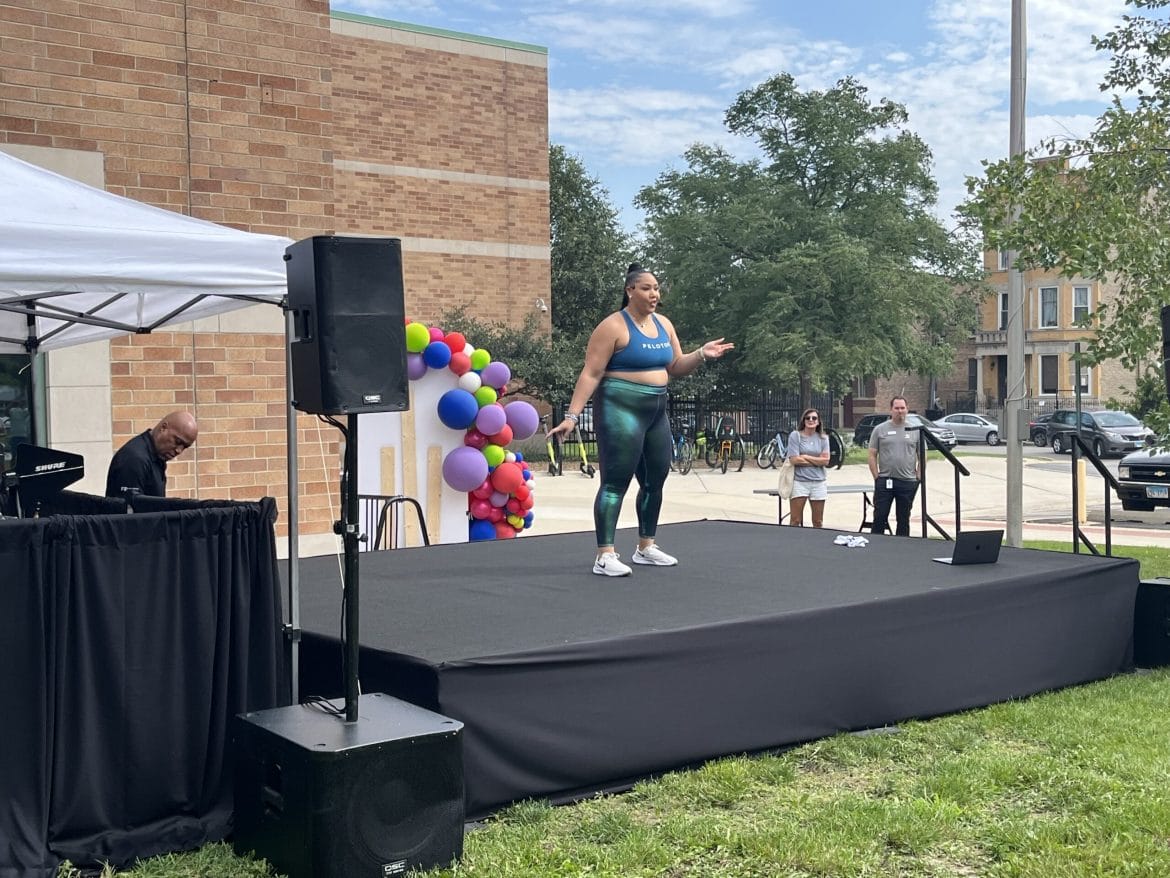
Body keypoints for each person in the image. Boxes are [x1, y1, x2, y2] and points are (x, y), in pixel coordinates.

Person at [548, 263, 734, 576]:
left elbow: (675, 365)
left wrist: (701, 353)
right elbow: (591, 373)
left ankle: (646, 546)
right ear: (630, 290)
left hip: (655, 411)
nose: (654, 294)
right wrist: (572, 416)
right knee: (615, 482)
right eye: (647, 288)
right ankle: (604, 553)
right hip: (620, 408)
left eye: (657, 289)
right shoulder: (612, 327)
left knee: (656, 478)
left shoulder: (664, 324)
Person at [105, 410, 199, 498]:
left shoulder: (155, 455)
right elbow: (128, 511)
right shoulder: (135, 459)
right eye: (177, 441)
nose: (179, 450)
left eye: (185, 447)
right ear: (163, 428)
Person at [868, 396, 920, 536]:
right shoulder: (880, 430)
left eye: (902, 408)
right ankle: (876, 544)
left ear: (907, 409)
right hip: (885, 480)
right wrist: (876, 476)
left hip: (907, 482)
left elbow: (922, 455)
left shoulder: (915, 430)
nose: (900, 411)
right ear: (891, 410)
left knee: (903, 518)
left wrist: (918, 477)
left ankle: (901, 547)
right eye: (896, 408)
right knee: (880, 515)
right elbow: (872, 454)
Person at [786, 408, 830, 527]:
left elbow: (826, 461)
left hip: (818, 482)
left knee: (818, 521)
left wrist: (805, 456)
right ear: (803, 420)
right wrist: (817, 461)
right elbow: (794, 459)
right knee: (795, 519)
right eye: (808, 418)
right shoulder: (795, 436)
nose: (811, 420)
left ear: (818, 421)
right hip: (800, 482)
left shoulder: (823, 438)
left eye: (814, 418)